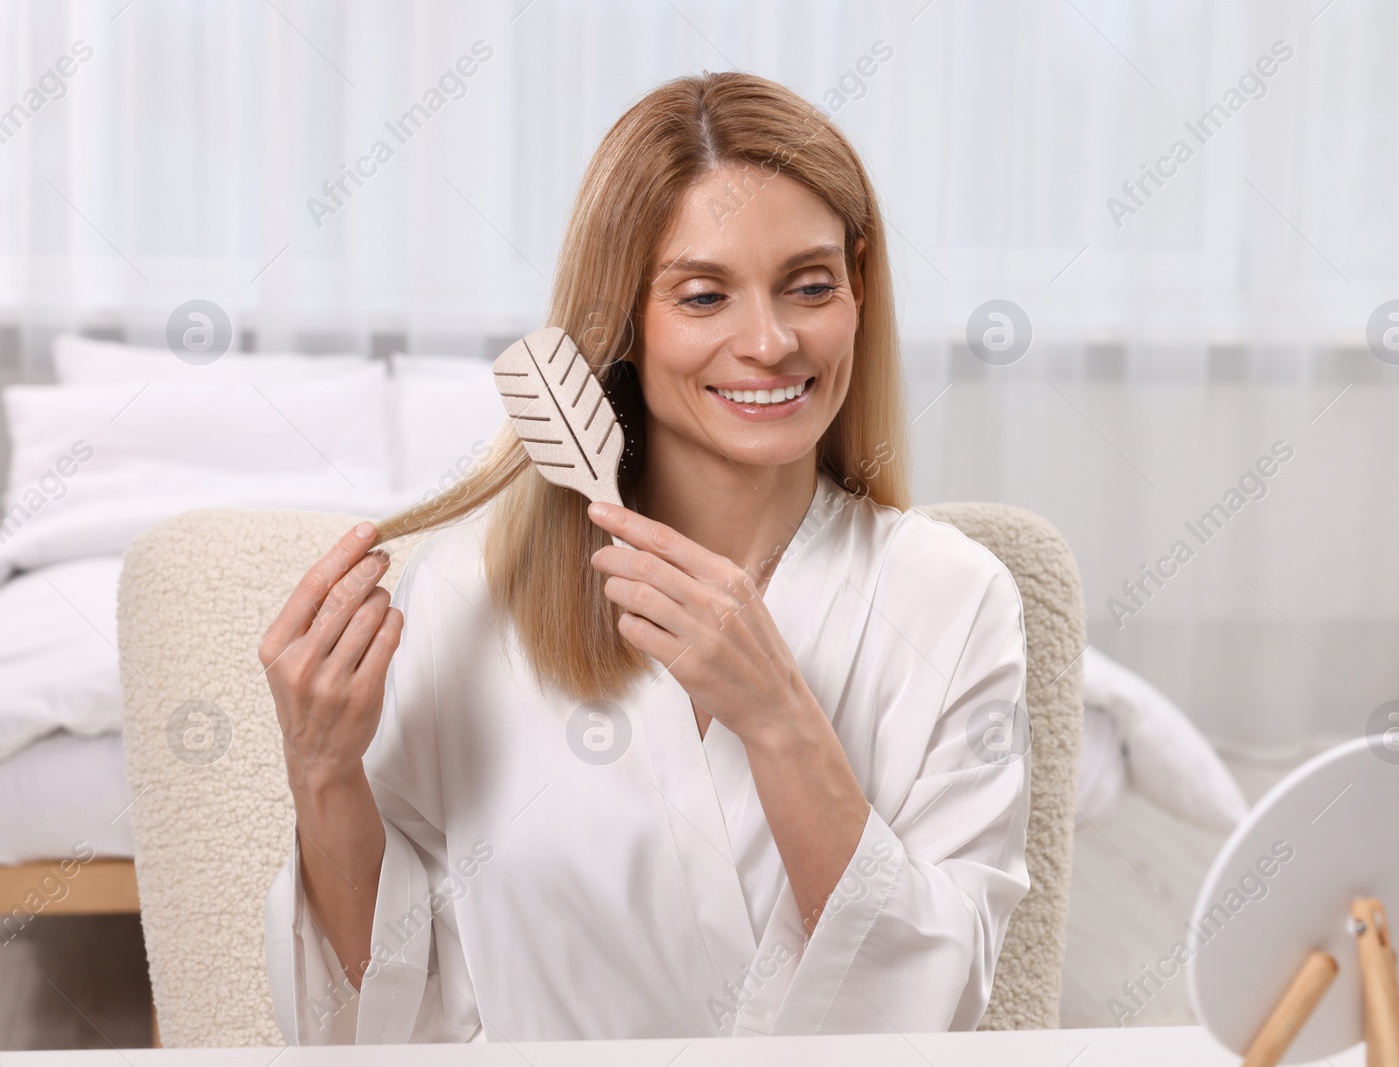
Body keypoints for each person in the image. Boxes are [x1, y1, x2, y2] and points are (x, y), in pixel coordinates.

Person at [261, 70, 1031, 1043]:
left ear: (859, 288)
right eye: (703, 295)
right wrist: (323, 770)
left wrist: (781, 721)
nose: (770, 340)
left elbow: (939, 997)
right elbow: (382, 1014)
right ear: (622, 315)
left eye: (809, 285)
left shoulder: (952, 599)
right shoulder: (468, 596)